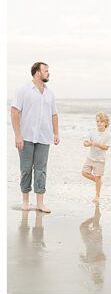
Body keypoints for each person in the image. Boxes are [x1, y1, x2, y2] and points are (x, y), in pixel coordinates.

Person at [10, 62, 59, 213]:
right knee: (25, 169)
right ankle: (25, 201)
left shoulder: (50, 93)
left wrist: (56, 133)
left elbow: (54, 114)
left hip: (44, 137)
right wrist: (18, 135)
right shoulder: (23, 90)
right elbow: (14, 111)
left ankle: (39, 203)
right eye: (46, 70)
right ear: (37, 72)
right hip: (26, 137)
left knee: (41, 170)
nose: (48, 73)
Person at [81, 113, 111, 202]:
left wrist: (98, 145)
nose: (99, 123)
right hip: (90, 157)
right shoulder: (92, 132)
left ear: (106, 123)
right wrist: (88, 144)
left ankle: (97, 195)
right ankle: (98, 182)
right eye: (97, 121)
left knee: (98, 176)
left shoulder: (107, 135)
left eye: (101, 121)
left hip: (100, 160)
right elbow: (85, 143)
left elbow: (106, 147)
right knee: (84, 173)